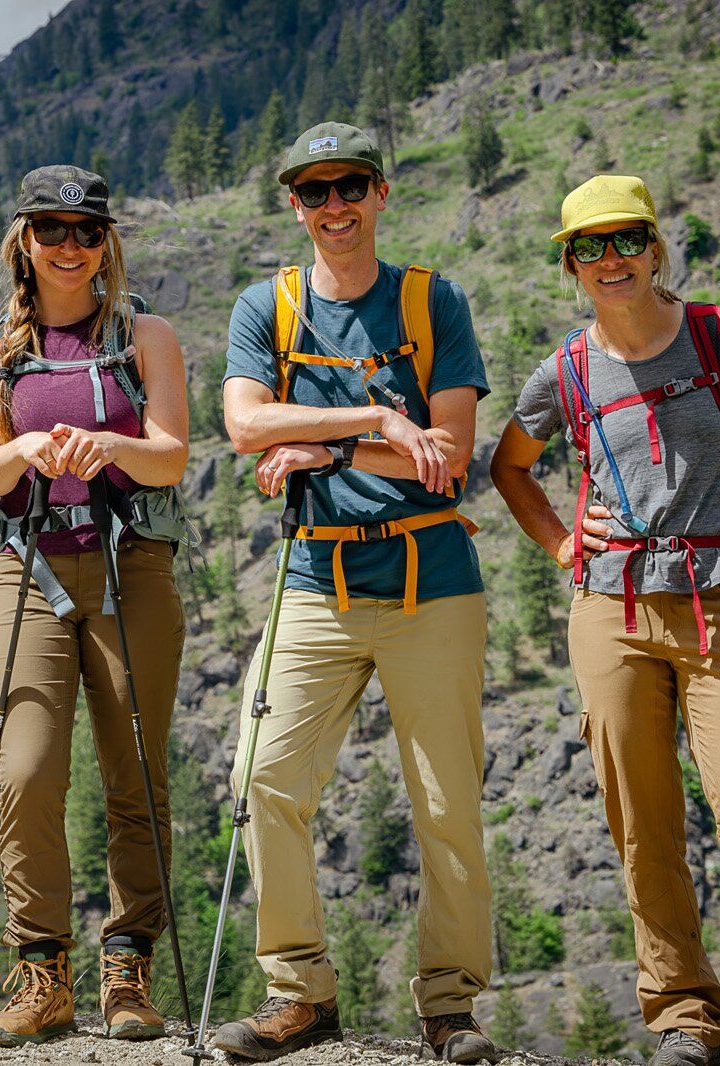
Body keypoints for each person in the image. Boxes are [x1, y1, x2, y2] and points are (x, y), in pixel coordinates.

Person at [490, 174, 720, 1066]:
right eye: (590, 247)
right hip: (611, 606)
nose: (612, 260)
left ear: (655, 247)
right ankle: (685, 1019)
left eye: (626, 240)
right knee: (642, 822)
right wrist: (564, 540)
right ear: (570, 264)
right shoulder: (565, 370)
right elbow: (510, 467)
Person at [213, 123, 498, 1064]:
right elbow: (245, 424)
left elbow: (448, 460)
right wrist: (379, 417)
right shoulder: (269, 305)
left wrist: (330, 447)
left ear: (381, 193)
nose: (333, 205)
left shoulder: (432, 301)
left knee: (446, 804)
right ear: (293, 204)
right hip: (315, 578)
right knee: (264, 778)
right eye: (313, 191)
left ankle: (450, 1009)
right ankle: (300, 995)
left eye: (350, 186)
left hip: (432, 581)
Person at [0, 165, 191, 1047]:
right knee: (25, 770)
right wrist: (28, 450)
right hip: (26, 569)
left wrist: (110, 442)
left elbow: (169, 457)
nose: (68, 246)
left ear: (107, 244)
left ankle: (128, 971)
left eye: (86, 231)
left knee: (136, 774)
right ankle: (40, 974)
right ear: (23, 240)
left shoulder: (145, 335)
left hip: (134, 563)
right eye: (50, 230)